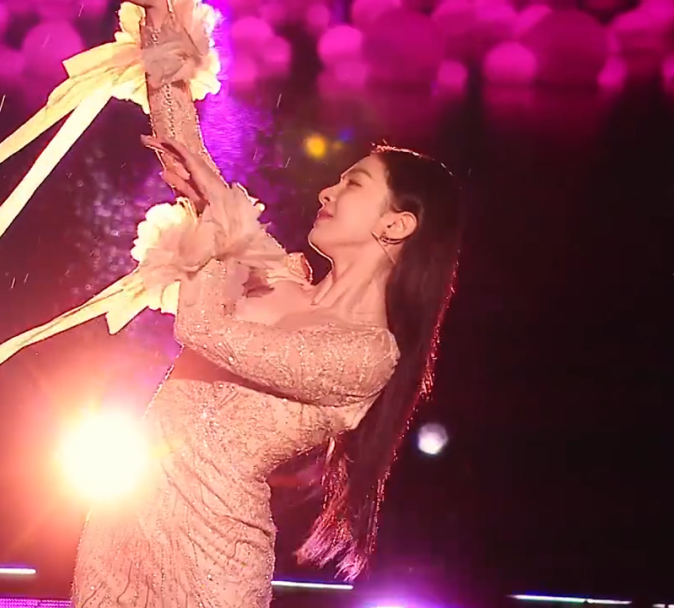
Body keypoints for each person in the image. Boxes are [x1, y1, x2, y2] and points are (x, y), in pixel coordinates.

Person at [70, 3, 463, 606]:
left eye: (353, 185)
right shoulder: (281, 275)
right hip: (120, 531)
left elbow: (203, 328)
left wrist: (217, 211)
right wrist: (161, 21)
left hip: (213, 561)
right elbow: (182, 150)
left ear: (396, 225)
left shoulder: (367, 355)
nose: (327, 191)